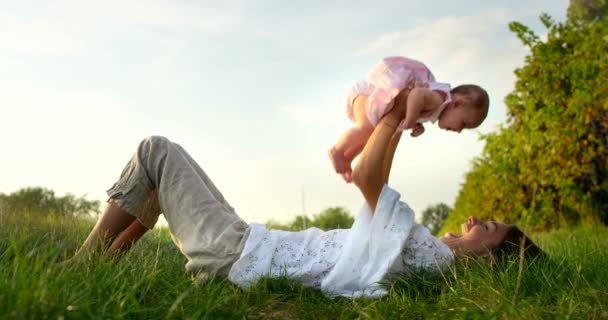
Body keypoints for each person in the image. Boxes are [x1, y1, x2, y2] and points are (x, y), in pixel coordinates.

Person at [72, 89, 539, 298]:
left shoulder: (429, 254)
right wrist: (394, 120)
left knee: (156, 152)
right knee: (160, 179)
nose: (477, 219)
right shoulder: (423, 254)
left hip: (238, 255)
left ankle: (81, 267)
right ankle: (99, 268)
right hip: (246, 248)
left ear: (492, 257)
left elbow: (366, 178)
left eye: (490, 229)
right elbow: (372, 181)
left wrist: (396, 115)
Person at [329, 56, 490, 182]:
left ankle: (346, 159)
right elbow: (416, 95)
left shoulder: (434, 107)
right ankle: (336, 151)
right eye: (463, 124)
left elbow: (415, 104)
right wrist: (412, 119)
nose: (459, 131)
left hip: (376, 99)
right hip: (369, 92)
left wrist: (416, 123)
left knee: (370, 137)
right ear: (457, 104)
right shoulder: (438, 99)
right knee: (366, 128)